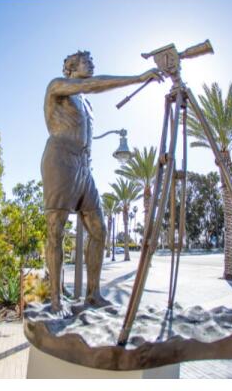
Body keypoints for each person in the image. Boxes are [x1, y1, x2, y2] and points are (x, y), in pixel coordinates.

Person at [41, 50, 162, 311]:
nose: (92, 64)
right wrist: (137, 78)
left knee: (99, 230)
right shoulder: (58, 86)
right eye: (87, 61)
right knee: (56, 231)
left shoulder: (86, 103)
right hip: (60, 159)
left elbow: (89, 90)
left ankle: (93, 294)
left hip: (84, 167)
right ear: (71, 67)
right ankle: (55, 300)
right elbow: (93, 85)